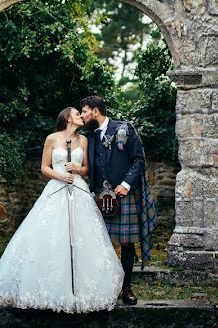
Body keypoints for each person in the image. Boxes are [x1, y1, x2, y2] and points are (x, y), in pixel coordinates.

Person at [0, 107, 124, 313]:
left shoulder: (84, 140)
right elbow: (44, 167)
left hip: (77, 189)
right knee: (52, 234)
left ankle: (81, 290)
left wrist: (76, 169)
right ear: (68, 118)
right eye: (77, 113)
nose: (81, 116)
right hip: (57, 188)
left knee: (82, 236)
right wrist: (61, 175)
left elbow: (87, 169)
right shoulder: (52, 138)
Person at [81, 94, 157, 305]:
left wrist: (125, 184)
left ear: (95, 111)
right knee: (96, 243)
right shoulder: (90, 136)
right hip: (97, 196)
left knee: (126, 243)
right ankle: (102, 287)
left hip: (122, 195)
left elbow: (138, 160)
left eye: (85, 112)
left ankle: (126, 288)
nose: (82, 116)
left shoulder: (124, 129)